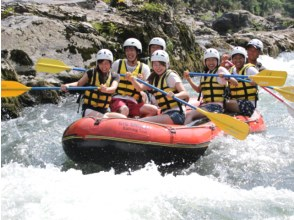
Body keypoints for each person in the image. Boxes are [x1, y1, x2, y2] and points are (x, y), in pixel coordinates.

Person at [125, 50, 189, 125]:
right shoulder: (153, 78)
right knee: (142, 120)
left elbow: (185, 94)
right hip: (165, 113)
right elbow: (140, 88)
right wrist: (132, 79)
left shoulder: (171, 76)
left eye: (161, 64)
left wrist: (174, 96)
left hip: (177, 114)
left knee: (143, 121)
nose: (158, 67)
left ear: (166, 64)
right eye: (155, 64)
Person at [61, 49, 126, 119]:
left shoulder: (115, 76)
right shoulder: (91, 73)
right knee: (105, 118)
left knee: (123, 117)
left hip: (103, 111)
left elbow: (113, 88)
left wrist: (106, 89)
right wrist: (67, 85)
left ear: (111, 64)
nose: (104, 66)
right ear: (97, 63)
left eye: (106, 63)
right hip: (88, 110)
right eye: (101, 63)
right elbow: (79, 84)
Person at [183, 48, 238, 124]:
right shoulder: (205, 73)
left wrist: (227, 77)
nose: (211, 62)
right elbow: (199, 90)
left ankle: (185, 131)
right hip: (205, 105)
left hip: (216, 106)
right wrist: (189, 79)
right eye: (208, 60)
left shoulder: (221, 70)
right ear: (205, 62)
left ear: (217, 61)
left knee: (189, 115)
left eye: (213, 60)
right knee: (189, 116)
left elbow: (235, 83)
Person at [110, 38, 158, 117]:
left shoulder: (144, 68)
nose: (129, 53)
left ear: (137, 51)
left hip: (133, 101)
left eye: (132, 50)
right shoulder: (118, 63)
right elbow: (108, 78)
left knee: (153, 110)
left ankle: (139, 125)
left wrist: (141, 81)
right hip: (117, 99)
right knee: (125, 109)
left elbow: (146, 88)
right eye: (127, 50)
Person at [225, 46, 259, 117]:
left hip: (249, 105)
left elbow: (261, 80)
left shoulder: (250, 70)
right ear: (232, 59)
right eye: (235, 58)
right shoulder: (230, 71)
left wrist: (256, 82)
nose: (238, 61)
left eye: (240, 58)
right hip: (234, 103)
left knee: (223, 103)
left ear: (245, 59)